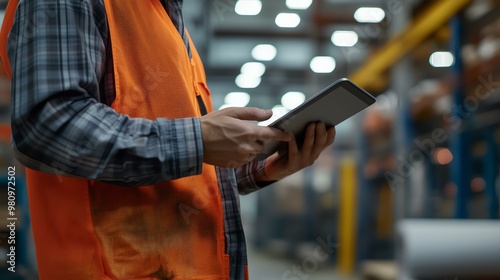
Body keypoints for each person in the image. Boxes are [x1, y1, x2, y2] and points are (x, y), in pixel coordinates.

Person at [0, 1, 336, 279]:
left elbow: (183, 172)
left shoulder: (174, 30)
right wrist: (199, 140)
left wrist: (264, 167)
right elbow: (47, 123)